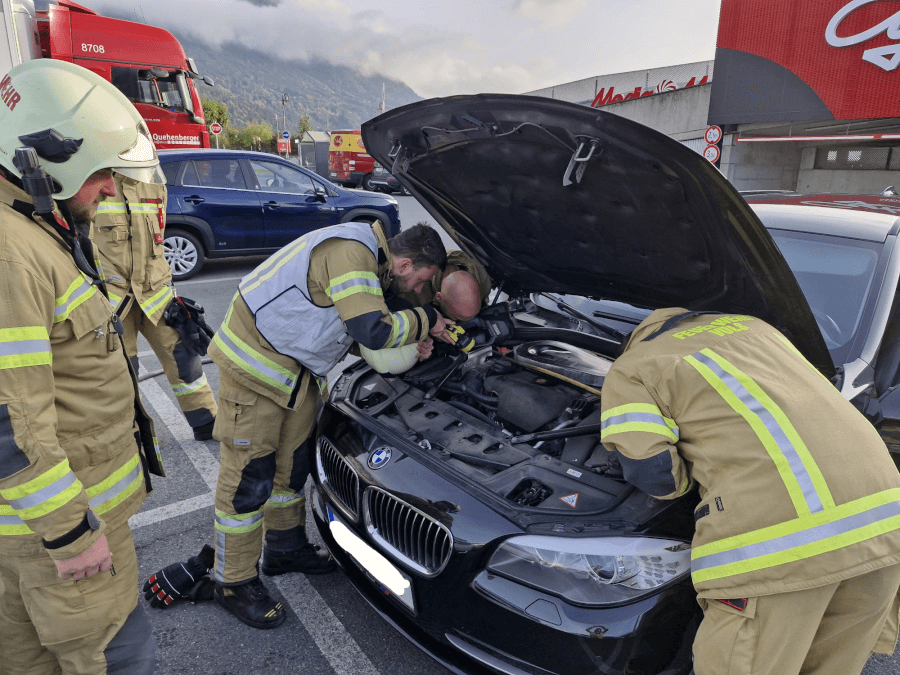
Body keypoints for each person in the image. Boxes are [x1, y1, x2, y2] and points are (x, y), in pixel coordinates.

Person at [599, 308, 900, 675]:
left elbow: (657, 476)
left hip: (783, 547)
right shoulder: (756, 328)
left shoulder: (633, 367)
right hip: (885, 523)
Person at [0, 59, 167, 675]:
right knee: (114, 657)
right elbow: (9, 422)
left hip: (39, 533)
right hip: (60, 541)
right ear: (50, 159)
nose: (110, 191)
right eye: (101, 172)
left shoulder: (30, 226)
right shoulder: (13, 255)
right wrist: (70, 534)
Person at [207, 221, 452, 629]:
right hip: (255, 368)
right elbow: (371, 330)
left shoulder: (373, 264)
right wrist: (426, 319)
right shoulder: (350, 252)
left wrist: (410, 344)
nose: (416, 289)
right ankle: (232, 581)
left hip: (297, 369)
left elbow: (343, 324)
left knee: (292, 468)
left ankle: (284, 548)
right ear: (405, 264)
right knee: (249, 479)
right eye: (421, 281)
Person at [93, 172, 218, 440]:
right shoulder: (90, 181)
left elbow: (155, 240)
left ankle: (206, 422)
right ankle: (127, 433)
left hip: (156, 294)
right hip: (112, 300)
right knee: (122, 371)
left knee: (185, 360)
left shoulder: (151, 179)